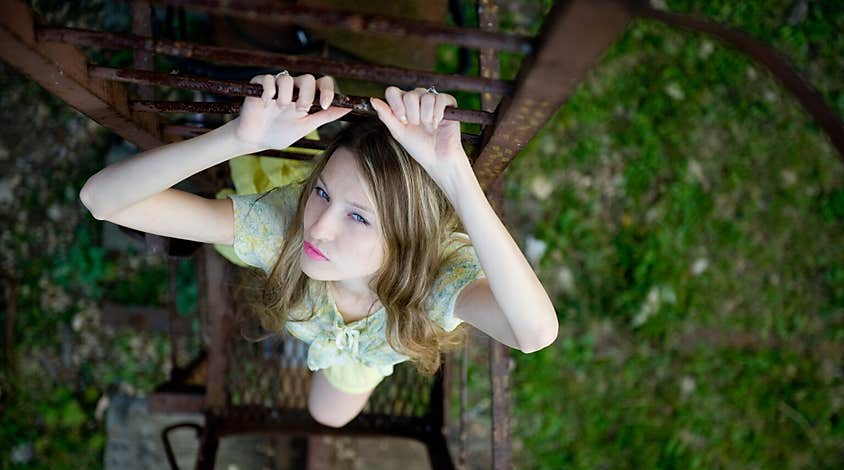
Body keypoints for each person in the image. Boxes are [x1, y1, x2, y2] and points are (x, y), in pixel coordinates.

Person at [79, 72, 558, 428]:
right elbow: (100, 200)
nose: (318, 228)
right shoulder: (283, 226)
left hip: (368, 355)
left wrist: (456, 175)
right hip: (301, 303)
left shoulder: (438, 281)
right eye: (324, 192)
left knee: (328, 416)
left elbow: (534, 332)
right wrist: (237, 138)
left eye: (358, 216)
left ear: (407, 240)